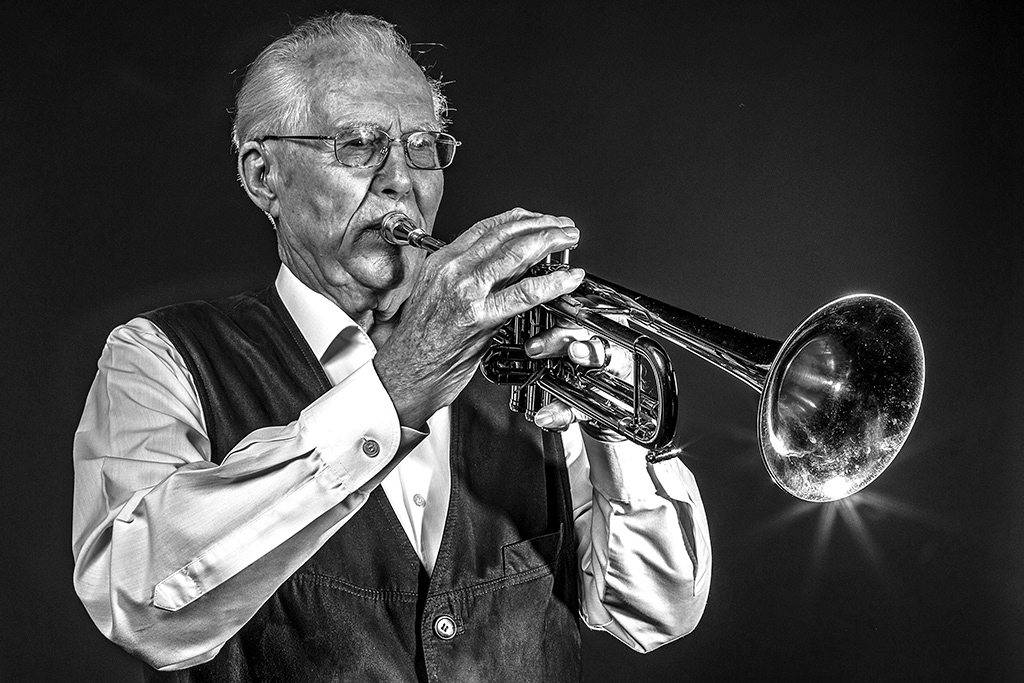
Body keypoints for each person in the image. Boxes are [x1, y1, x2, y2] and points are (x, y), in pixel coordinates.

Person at [72, 11, 711, 682]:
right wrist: (397, 388)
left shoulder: (528, 360)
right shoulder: (159, 356)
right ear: (265, 176)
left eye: (422, 146)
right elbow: (138, 601)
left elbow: (654, 613)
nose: (400, 179)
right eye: (359, 145)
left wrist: (617, 433)